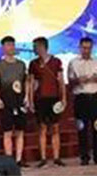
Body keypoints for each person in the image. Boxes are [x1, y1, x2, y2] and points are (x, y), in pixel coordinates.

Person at [67, 37, 97, 165]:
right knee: (82, 129)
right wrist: (78, 80)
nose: (86, 51)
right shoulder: (73, 62)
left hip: (95, 97)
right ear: (80, 48)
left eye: (89, 48)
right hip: (81, 98)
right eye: (84, 48)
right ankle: (84, 157)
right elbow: (70, 81)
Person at [0, 36, 30, 168]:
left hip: (20, 101)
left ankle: (19, 160)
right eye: (8, 45)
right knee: (7, 132)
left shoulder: (21, 64)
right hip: (5, 101)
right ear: (3, 48)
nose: (11, 47)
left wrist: (27, 97)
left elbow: (26, 82)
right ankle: (9, 161)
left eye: (12, 45)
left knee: (20, 131)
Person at [28, 36, 66, 167]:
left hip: (54, 98)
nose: (34, 49)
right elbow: (31, 83)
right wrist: (30, 100)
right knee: (42, 128)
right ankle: (43, 158)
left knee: (55, 127)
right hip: (40, 99)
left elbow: (61, 81)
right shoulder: (33, 64)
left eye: (36, 47)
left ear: (43, 47)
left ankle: (56, 157)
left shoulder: (56, 62)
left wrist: (64, 98)